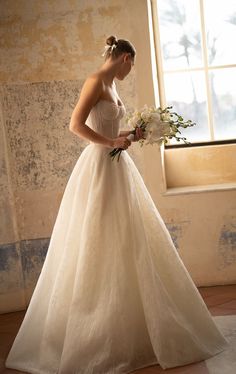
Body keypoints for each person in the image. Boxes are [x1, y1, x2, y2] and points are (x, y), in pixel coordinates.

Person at [5, 35, 229, 374]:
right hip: (98, 168)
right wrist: (113, 140)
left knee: (129, 239)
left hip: (116, 165)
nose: (131, 70)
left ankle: (137, 323)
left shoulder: (111, 83)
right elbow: (76, 125)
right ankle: (92, 332)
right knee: (97, 239)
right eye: (132, 63)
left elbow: (109, 126)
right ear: (125, 57)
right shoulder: (96, 80)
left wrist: (135, 133)